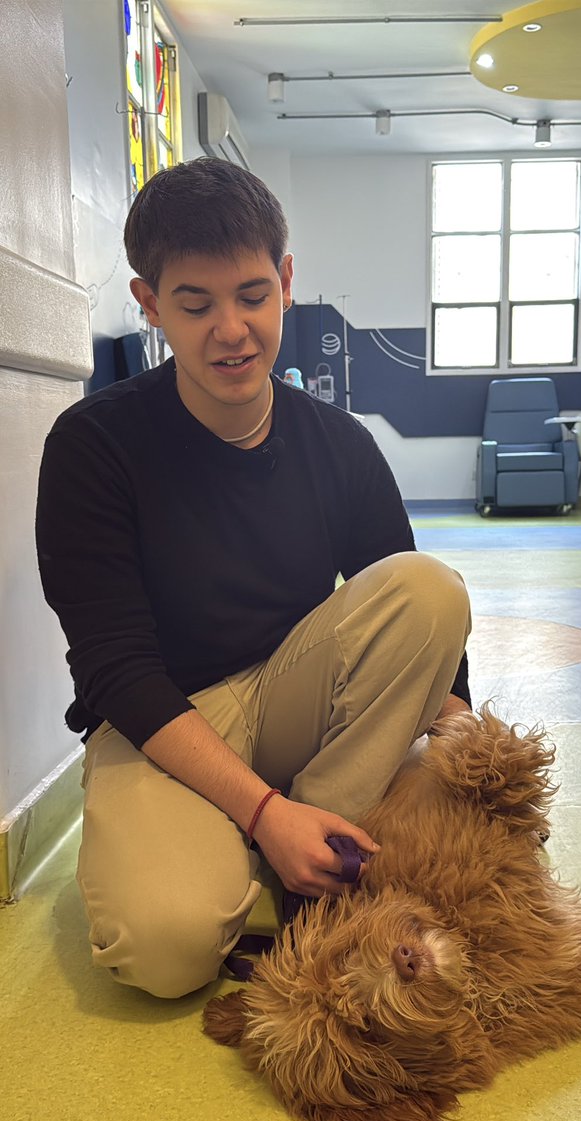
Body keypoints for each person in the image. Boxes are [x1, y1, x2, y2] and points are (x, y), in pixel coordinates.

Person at [36, 157, 472, 999]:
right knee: (162, 951)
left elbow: (418, 624)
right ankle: (275, 841)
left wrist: (474, 755)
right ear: (150, 305)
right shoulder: (94, 447)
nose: (231, 330)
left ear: (285, 281)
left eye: (251, 296)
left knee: (431, 587)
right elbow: (114, 669)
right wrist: (265, 813)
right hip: (163, 720)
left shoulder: (338, 441)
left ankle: (312, 841)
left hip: (296, 706)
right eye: (194, 305)